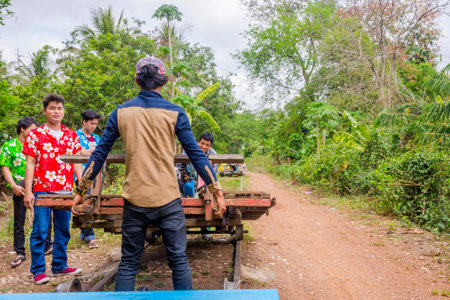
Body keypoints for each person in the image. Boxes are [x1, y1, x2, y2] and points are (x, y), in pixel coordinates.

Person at [71, 56, 226, 291]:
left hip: (134, 200)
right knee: (179, 261)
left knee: (129, 263)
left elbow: (100, 153)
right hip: (168, 200)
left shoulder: (120, 113)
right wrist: (217, 191)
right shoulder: (175, 112)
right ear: (162, 82)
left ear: (137, 81)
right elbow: (196, 154)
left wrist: (81, 190)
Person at [22, 94, 83, 285]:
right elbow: (30, 163)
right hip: (41, 190)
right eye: (52, 108)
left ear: (64, 112)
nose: (56, 111)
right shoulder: (35, 134)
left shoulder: (71, 135)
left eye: (59, 108)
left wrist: (81, 187)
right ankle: (39, 270)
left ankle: (59, 265)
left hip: (65, 190)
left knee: (63, 230)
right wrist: (29, 191)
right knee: (40, 230)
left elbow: (77, 163)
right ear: (44, 111)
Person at [0, 117, 54, 268]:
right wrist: (13, 186)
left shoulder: (38, 145)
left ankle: (48, 245)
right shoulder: (9, 146)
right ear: (22, 129)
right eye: (31, 129)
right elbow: (5, 168)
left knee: (45, 215)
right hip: (20, 186)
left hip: (38, 185)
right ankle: (20, 251)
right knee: (19, 219)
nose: (34, 133)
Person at [76, 110, 101, 249]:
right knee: (87, 203)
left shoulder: (96, 138)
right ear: (84, 121)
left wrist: (87, 151)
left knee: (92, 203)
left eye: (96, 124)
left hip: (96, 175)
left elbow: (101, 151)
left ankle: (83, 234)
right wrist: (87, 152)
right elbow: (77, 151)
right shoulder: (75, 136)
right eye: (91, 123)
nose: (93, 126)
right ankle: (90, 237)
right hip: (81, 175)